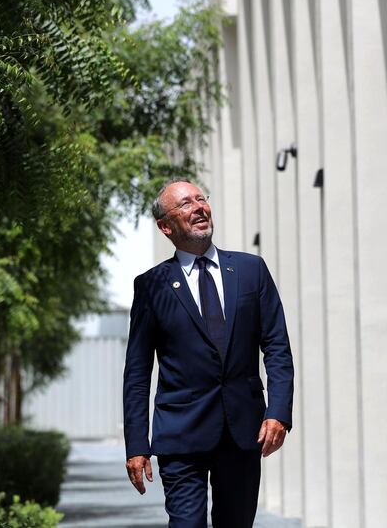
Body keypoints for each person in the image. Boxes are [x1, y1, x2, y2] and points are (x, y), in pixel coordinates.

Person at [123, 179, 295, 528]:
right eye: (186, 203)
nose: (199, 207)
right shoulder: (151, 285)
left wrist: (278, 412)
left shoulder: (251, 271)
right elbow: (138, 372)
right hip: (180, 434)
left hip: (242, 430)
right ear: (165, 226)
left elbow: (277, 346)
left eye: (201, 198)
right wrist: (137, 444)